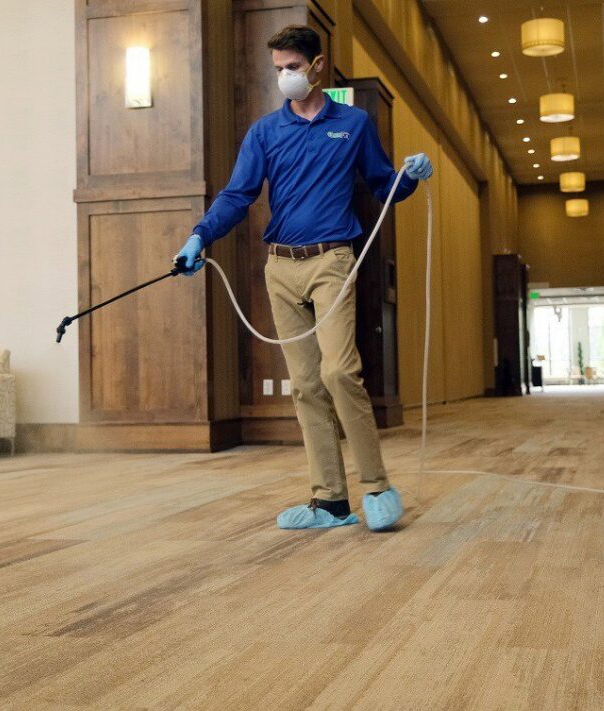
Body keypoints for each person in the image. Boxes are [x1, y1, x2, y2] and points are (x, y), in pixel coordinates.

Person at [174, 25, 433, 531]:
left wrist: (412, 176)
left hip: (332, 261)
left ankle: (378, 486)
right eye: (278, 70)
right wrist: (199, 237)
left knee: (339, 372)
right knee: (307, 385)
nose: (285, 77)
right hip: (280, 268)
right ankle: (331, 502)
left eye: (292, 67)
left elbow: (384, 185)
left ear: (317, 67)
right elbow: (236, 195)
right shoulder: (265, 132)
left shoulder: (354, 124)